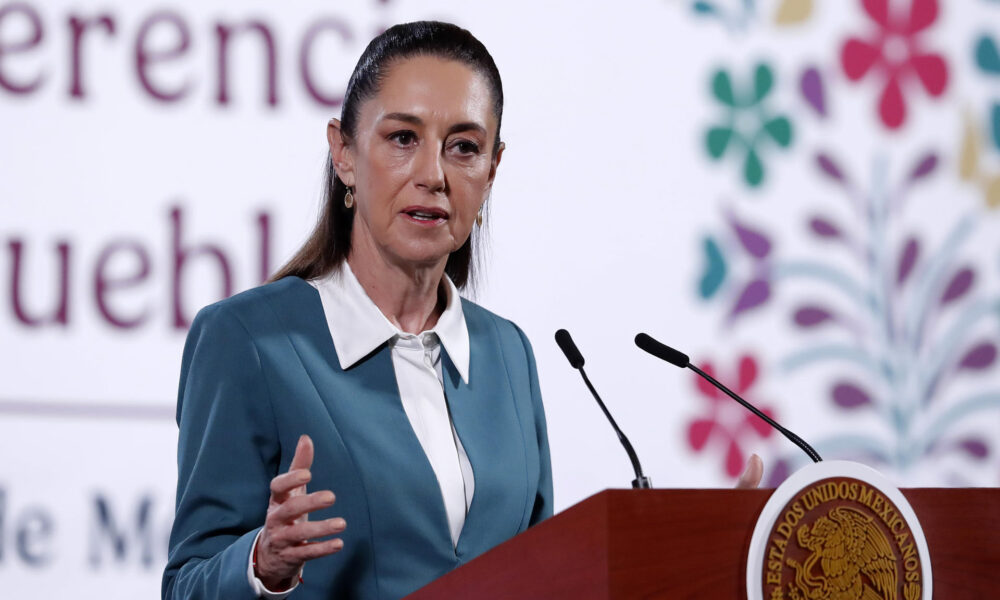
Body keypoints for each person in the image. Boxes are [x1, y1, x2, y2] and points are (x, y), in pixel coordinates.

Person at [162, 21, 551, 600]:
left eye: (464, 147)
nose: (432, 176)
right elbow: (185, 586)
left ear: (491, 170)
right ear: (343, 153)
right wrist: (260, 565)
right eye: (402, 138)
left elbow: (550, 570)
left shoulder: (508, 352)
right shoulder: (246, 340)